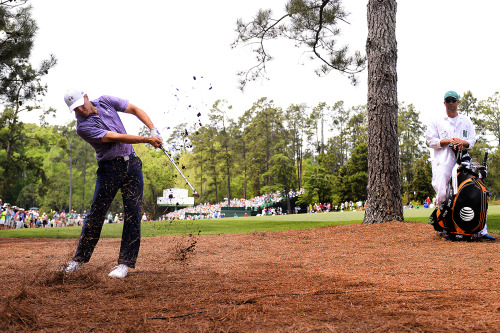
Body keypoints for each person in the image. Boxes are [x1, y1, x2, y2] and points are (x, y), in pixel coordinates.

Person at [62, 89, 163, 278]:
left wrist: (153, 129)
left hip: (132, 164)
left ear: (86, 97)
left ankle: (124, 264)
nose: (79, 111)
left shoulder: (105, 101)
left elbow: (133, 109)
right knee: (96, 215)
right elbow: (113, 137)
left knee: (133, 213)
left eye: (80, 105)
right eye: (74, 109)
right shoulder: (82, 127)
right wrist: (146, 139)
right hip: (109, 169)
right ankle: (78, 260)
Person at [426, 90, 495, 241]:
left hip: (463, 160)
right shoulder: (436, 120)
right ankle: (445, 229)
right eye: (448, 100)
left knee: (472, 191)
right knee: (443, 193)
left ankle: (479, 230)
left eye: (454, 100)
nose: (451, 103)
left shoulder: (466, 121)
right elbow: (431, 141)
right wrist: (449, 141)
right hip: (443, 161)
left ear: (458, 102)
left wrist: (461, 142)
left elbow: (471, 140)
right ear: (444, 103)